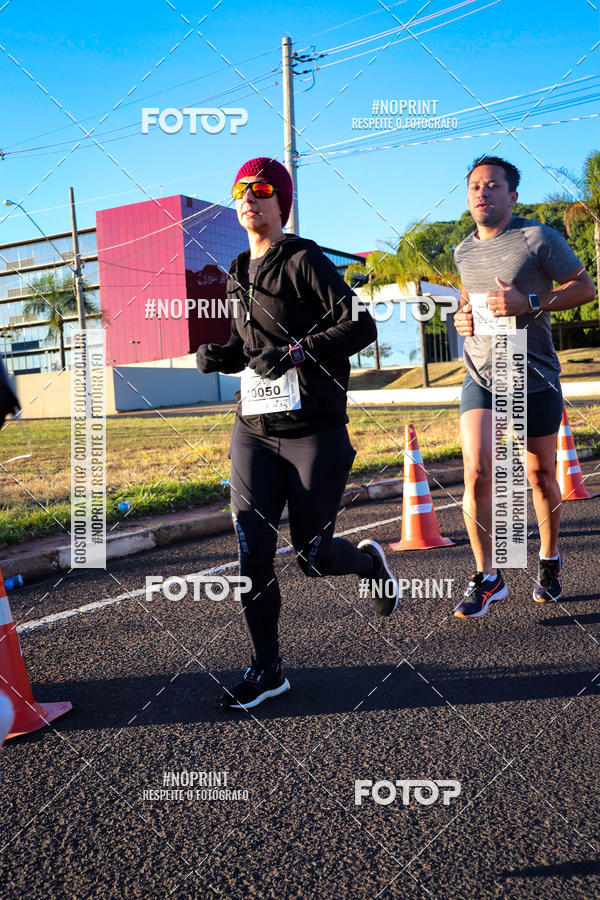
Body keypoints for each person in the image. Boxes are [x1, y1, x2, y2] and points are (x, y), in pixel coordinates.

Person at [197, 156, 399, 709]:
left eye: (261, 190)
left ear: (281, 202)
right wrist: (223, 356)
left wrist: (298, 352)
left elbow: (360, 324)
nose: (249, 199)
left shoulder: (304, 258)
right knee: (251, 550)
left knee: (313, 557)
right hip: (255, 429)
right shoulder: (238, 269)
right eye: (240, 190)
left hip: (313, 429)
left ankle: (367, 563)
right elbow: (251, 347)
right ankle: (268, 669)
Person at [453, 155, 595, 617]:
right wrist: (462, 317)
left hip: (530, 374)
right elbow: (467, 303)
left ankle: (549, 559)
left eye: (492, 185)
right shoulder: (463, 251)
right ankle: (488, 577)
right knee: (476, 469)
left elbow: (584, 287)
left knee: (539, 475)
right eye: (475, 185)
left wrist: (530, 301)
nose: (482, 192)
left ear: (512, 196)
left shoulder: (537, 238)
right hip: (480, 373)